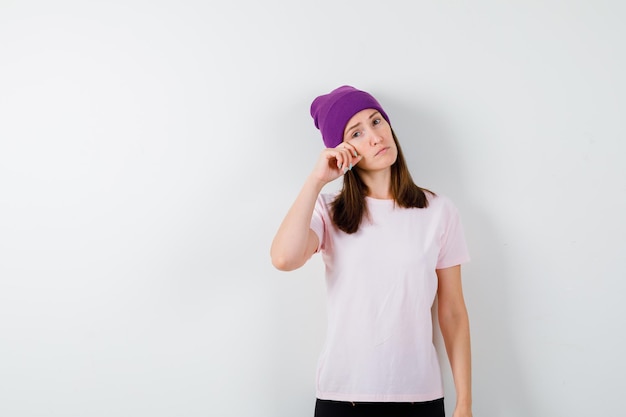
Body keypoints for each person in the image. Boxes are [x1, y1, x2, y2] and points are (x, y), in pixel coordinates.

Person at [270, 85, 473, 417]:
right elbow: (283, 258)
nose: (376, 136)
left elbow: (452, 313)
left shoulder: (438, 211)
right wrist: (315, 181)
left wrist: (464, 402)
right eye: (357, 132)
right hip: (342, 397)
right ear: (343, 150)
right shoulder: (330, 211)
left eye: (377, 121)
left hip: (418, 398)